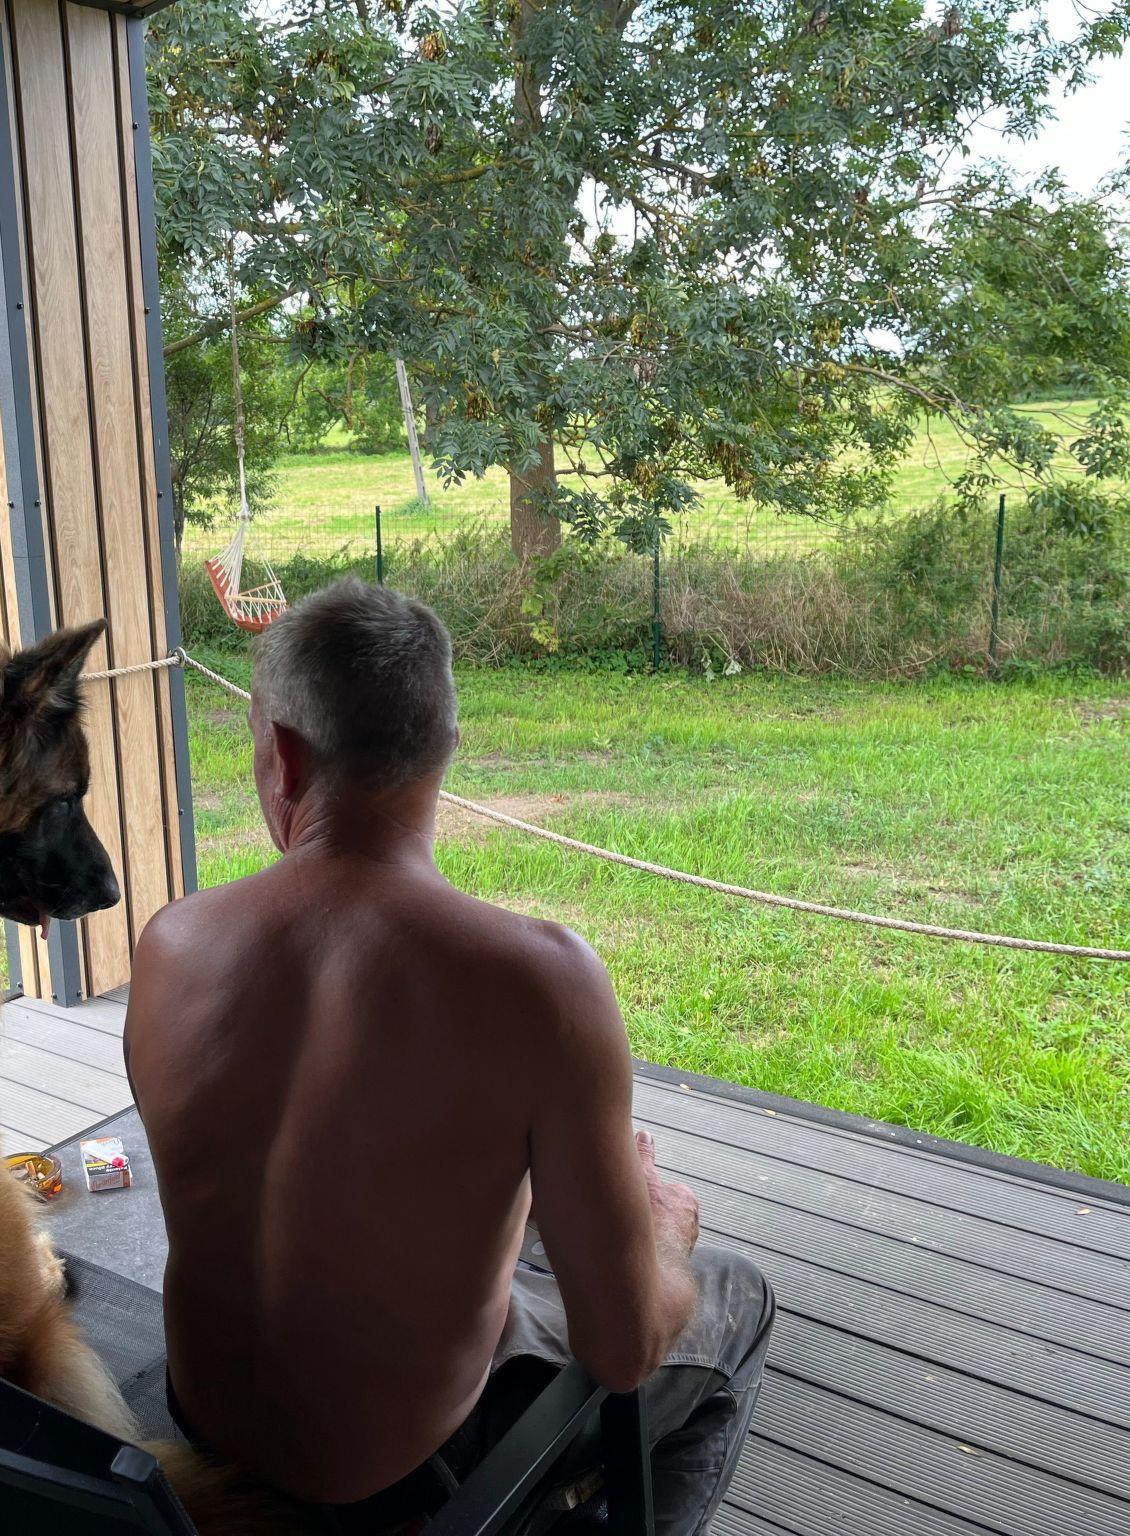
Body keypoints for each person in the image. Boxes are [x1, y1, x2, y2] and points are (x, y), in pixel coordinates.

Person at [125, 579, 773, 1534]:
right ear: (445, 749)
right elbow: (624, 1346)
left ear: (286, 756)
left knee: (535, 1232)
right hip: (400, 1483)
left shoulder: (170, 945)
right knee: (734, 1295)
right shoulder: (542, 983)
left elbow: (326, 1165)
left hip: (206, 1430)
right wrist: (661, 1235)